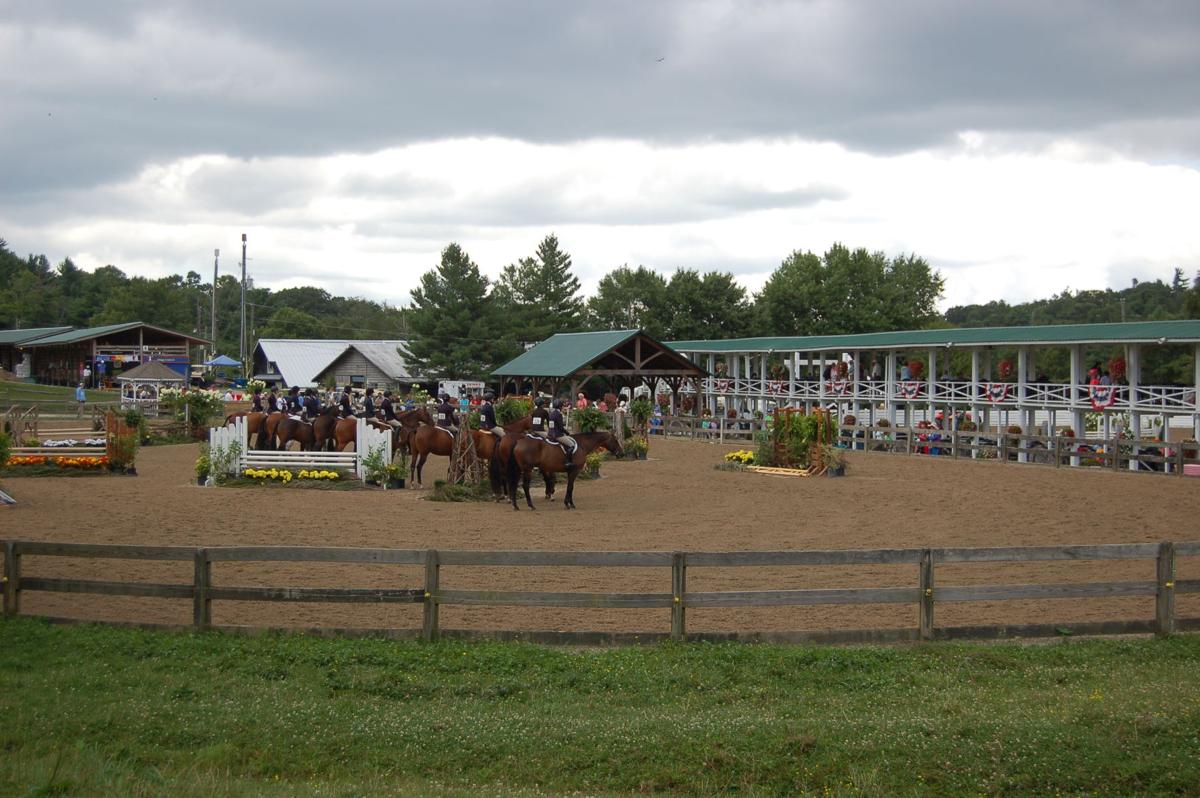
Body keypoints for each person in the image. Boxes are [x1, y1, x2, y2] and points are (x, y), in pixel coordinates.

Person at [549, 398, 577, 466]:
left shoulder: (551, 413)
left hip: (550, 433)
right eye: (562, 406)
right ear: (560, 406)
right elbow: (561, 428)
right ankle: (567, 462)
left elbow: (551, 425)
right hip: (557, 435)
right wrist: (567, 433)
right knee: (572, 445)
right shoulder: (558, 414)